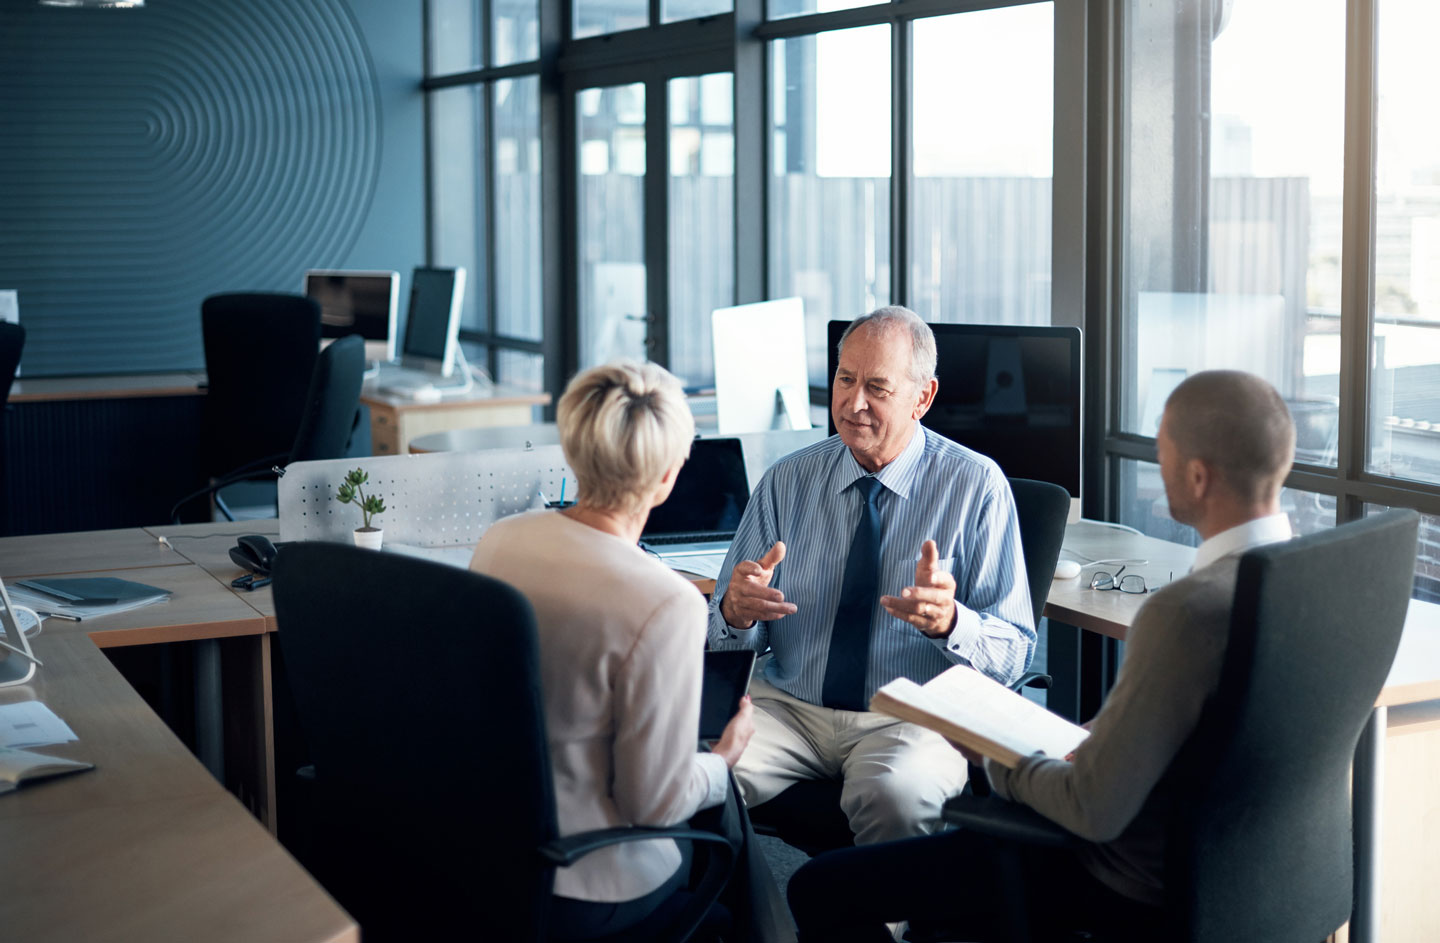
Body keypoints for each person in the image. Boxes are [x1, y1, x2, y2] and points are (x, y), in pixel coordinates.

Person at [786, 369, 1298, 941]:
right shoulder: (1314, 580)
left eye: (1163, 450)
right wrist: (1099, 740)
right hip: (1252, 880)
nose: (1157, 463)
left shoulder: (1184, 613)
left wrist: (995, 758)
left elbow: (1090, 809)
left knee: (817, 887)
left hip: (1117, 875)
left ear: (1198, 477)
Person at [708, 305, 1035, 844]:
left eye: (877, 388)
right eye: (844, 379)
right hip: (790, 709)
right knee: (690, 768)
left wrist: (953, 623)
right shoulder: (786, 481)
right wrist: (734, 613)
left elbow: (1016, 650)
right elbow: (726, 635)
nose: (853, 403)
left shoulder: (977, 487)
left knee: (897, 795)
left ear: (922, 399)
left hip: (911, 715)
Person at [469, 360, 755, 941]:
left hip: (485, 850)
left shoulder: (502, 539)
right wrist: (721, 762)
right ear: (668, 477)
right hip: (584, 880)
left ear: (573, 452)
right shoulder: (665, 600)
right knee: (730, 849)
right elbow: (652, 802)